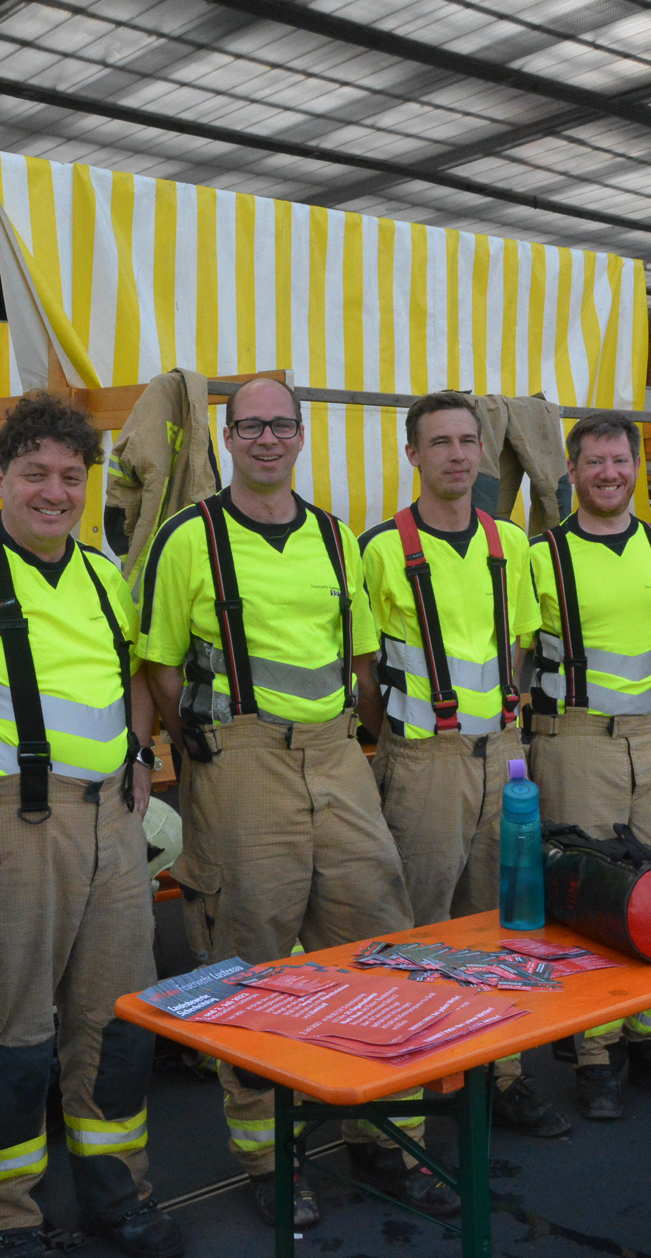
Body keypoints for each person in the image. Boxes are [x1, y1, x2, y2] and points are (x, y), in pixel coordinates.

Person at [137, 377, 442, 1228]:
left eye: (281, 425)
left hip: (337, 755)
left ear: (302, 435)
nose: (267, 439)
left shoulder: (337, 539)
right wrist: (211, 752)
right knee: (252, 962)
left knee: (379, 944)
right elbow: (159, 665)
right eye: (250, 427)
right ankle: (270, 1161)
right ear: (228, 439)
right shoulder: (186, 538)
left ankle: (388, 1136)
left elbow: (359, 661)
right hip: (239, 763)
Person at [0, 393, 182, 1258]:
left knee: (118, 1024)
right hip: (4, 832)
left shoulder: (102, 575)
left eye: (70, 475)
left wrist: (139, 752)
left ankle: (118, 1198)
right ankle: (3, 1219)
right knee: (12, 1036)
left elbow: (131, 675)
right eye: (34, 474)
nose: (55, 492)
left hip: (111, 828)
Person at [358, 393, 570, 1138]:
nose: (456, 454)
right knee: (421, 927)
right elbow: (364, 670)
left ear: (483, 451)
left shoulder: (509, 542)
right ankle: (423, 1074)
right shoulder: (380, 549)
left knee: (501, 920)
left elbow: (517, 645)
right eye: (440, 442)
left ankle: (501, 1073)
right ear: (412, 455)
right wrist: (402, 742)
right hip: (424, 760)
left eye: (467, 441)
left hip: (502, 756)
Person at [523, 412, 651, 1119]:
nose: (608, 473)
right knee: (587, 897)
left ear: (638, 469)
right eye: (595, 462)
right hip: (572, 739)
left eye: (620, 461)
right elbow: (517, 662)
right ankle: (596, 1056)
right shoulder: (540, 555)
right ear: (572, 471)